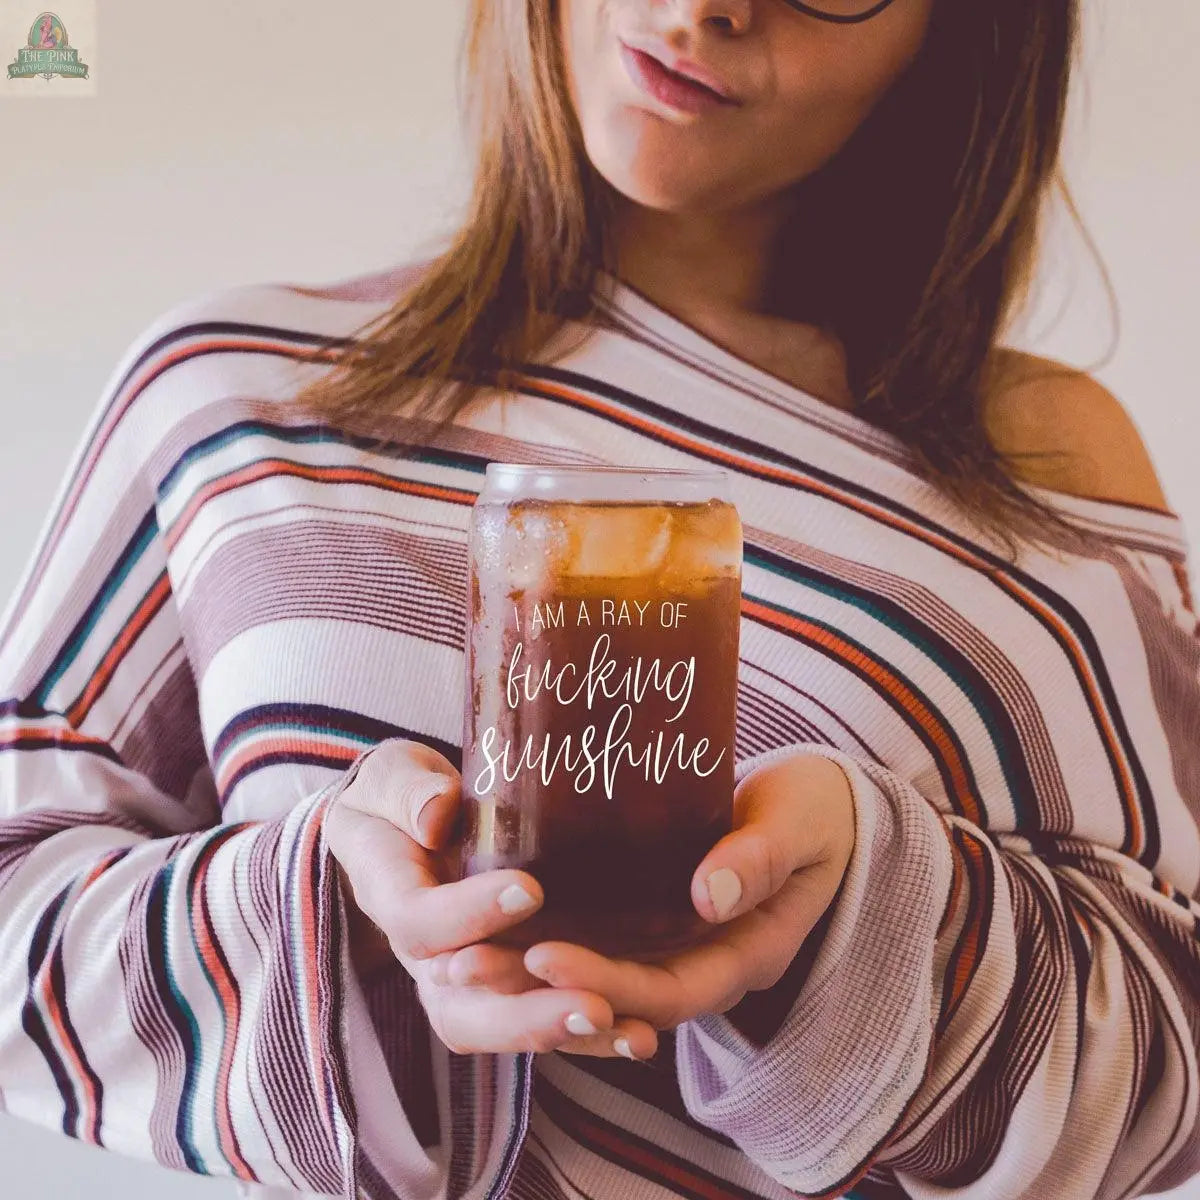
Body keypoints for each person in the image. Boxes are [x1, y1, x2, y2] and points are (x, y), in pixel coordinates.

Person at [1, 1, 1198, 1198]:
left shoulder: (1042, 463)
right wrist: (324, 905)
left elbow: (1176, 1055)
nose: (705, 8)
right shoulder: (235, 400)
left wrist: (868, 923)